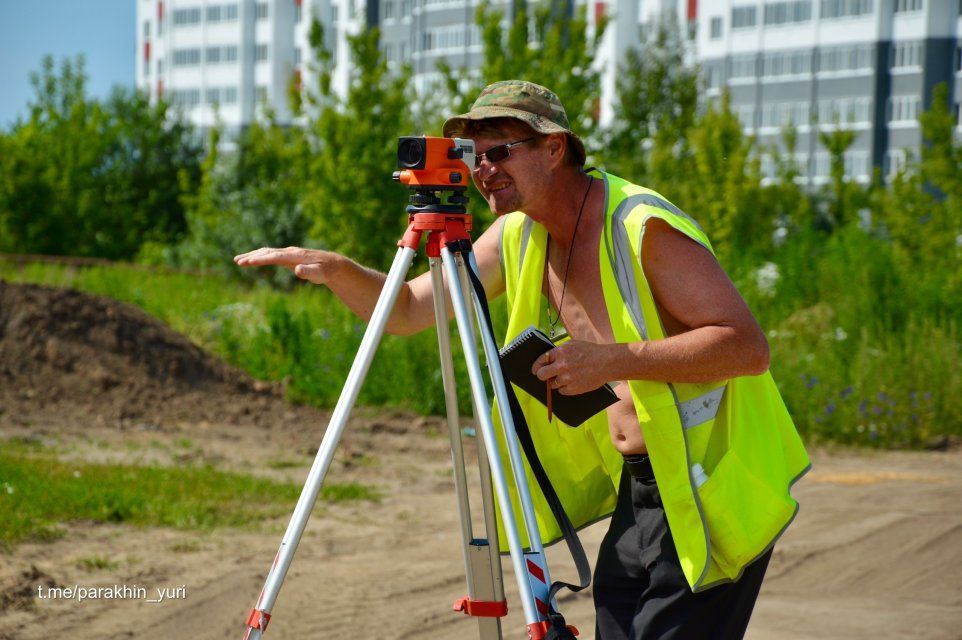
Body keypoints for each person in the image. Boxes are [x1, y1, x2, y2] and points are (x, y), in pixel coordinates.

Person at [235, 80, 810, 640]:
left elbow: (747, 347)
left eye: (500, 152)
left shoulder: (641, 226)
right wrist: (338, 269)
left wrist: (611, 360)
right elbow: (411, 311)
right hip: (641, 495)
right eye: (475, 157)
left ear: (555, 147)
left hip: (712, 487)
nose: (483, 171)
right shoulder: (516, 234)